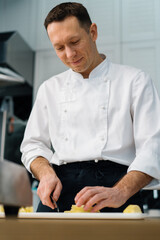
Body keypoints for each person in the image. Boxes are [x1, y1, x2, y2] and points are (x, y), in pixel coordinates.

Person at [21, 2, 160, 213]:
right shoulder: (49, 88)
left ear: (93, 32)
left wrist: (120, 192)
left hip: (116, 192)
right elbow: (32, 144)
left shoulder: (135, 81)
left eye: (75, 42)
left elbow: (153, 148)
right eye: (59, 47)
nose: (69, 54)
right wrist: (46, 173)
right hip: (60, 192)